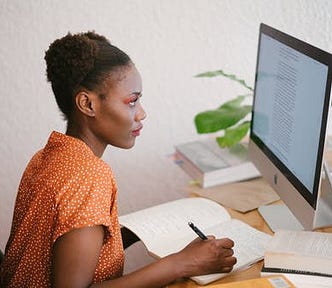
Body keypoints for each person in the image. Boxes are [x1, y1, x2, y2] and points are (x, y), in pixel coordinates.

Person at [0, 31, 237, 287]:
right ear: (87, 104)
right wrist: (181, 263)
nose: (141, 114)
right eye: (132, 101)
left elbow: (57, 242)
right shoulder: (89, 176)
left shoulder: (49, 155)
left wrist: (126, 235)